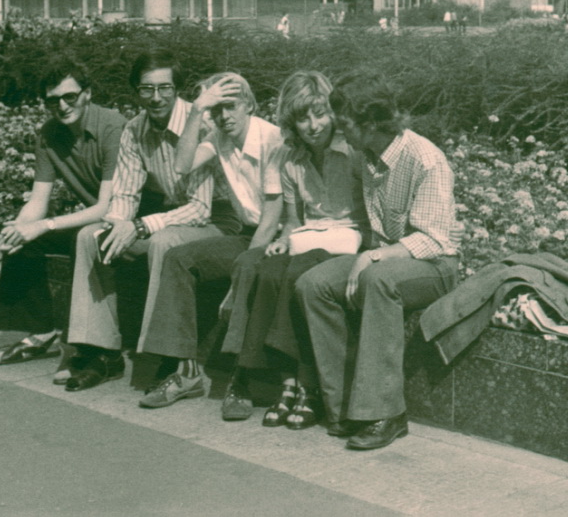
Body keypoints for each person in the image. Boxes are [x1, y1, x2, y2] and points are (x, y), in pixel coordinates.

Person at [295, 75, 461, 450]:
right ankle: (339, 407)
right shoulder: (364, 156)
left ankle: (385, 413)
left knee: (379, 281)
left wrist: (372, 256)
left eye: (346, 124)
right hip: (385, 257)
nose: (339, 130)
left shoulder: (426, 159)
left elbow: (434, 239)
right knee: (312, 283)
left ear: (370, 124)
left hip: (434, 266)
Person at [63, 49, 234, 392]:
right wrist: (117, 225)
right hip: (171, 216)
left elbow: (200, 209)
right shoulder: (134, 130)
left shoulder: (201, 123)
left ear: (177, 89)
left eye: (165, 89)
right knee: (89, 236)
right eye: (147, 89)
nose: (156, 98)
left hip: (218, 221)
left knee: (162, 241)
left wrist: (139, 226)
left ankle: (162, 356)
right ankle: (100, 352)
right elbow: (125, 195)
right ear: (135, 91)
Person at [220, 71, 367, 428]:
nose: (313, 125)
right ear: (292, 121)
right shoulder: (291, 160)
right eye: (303, 117)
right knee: (263, 266)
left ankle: (305, 382)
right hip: (307, 237)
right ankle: (279, 379)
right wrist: (283, 240)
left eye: (320, 114)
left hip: (347, 240)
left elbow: (368, 215)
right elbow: (292, 219)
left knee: (298, 275)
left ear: (332, 113)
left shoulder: (351, 153)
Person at [137, 72, 285, 415]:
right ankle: (186, 372)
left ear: (249, 104)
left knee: (247, 269)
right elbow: (181, 164)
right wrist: (196, 111)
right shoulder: (219, 137)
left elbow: (273, 219)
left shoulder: (272, 140)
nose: (224, 117)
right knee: (178, 258)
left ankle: (242, 380)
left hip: (283, 239)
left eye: (230, 107)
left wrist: (237, 279)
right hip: (250, 234)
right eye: (216, 111)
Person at [0, 58, 126, 384]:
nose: (62, 106)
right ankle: (42, 331)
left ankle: (86, 349)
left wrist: (44, 226)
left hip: (127, 218)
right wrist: (10, 235)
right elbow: (37, 203)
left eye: (70, 97)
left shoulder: (113, 127)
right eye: (53, 100)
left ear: (87, 94)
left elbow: (107, 207)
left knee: (82, 239)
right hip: (95, 217)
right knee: (22, 239)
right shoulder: (50, 134)